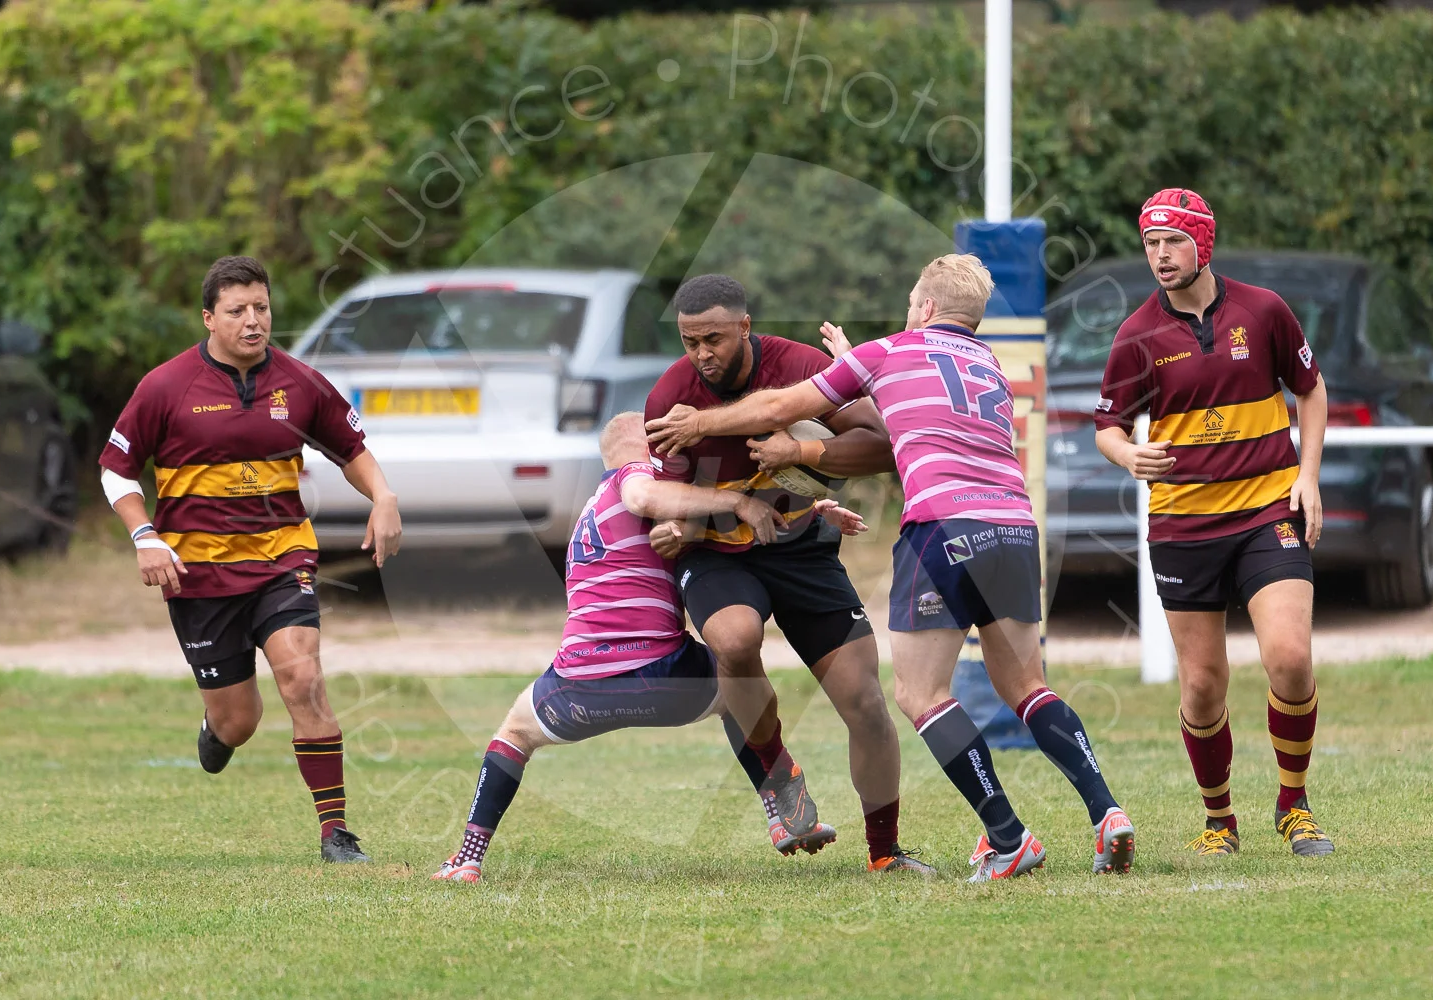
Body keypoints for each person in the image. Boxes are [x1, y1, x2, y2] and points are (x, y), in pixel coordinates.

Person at [648, 255, 1136, 880]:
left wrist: (721, 427)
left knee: (917, 695)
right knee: (1028, 686)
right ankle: (1107, 812)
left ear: (926, 308)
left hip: (938, 529)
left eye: (911, 302)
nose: (701, 352)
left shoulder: (886, 351)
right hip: (1013, 525)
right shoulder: (988, 365)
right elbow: (911, 407)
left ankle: (1005, 838)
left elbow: (790, 410)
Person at [433, 413, 871, 882]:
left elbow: (720, 531)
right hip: (664, 675)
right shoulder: (638, 482)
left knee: (513, 735)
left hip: (578, 684)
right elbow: (693, 512)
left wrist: (812, 509)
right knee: (739, 690)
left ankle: (467, 859)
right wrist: (741, 501)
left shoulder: (592, 511)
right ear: (641, 448)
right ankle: (781, 806)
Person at [98, 255, 402, 863]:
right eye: (237, 311)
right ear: (209, 317)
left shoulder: (300, 382)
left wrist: (384, 496)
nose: (253, 320)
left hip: (281, 557)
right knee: (240, 721)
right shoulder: (165, 387)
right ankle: (218, 731)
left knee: (304, 677)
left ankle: (335, 833)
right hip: (199, 572)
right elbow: (115, 468)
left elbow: (352, 448)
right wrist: (145, 537)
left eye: (261, 308)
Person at [641, 274, 929, 875]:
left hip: (802, 549)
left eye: (714, 339)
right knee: (735, 639)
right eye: (691, 342)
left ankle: (885, 854)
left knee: (866, 703)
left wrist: (799, 452)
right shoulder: (672, 393)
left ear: (745, 327)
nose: (703, 355)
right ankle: (778, 777)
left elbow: (883, 444)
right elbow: (661, 496)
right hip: (717, 554)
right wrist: (675, 527)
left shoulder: (799, 366)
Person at [1092, 188, 1333, 857]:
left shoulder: (1263, 311)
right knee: (1202, 684)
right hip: (1183, 524)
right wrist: (1127, 454)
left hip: (1267, 510)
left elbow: (1310, 391)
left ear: (1204, 241)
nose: (1160, 256)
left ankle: (1294, 805)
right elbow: (1106, 425)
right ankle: (1219, 818)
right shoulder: (1138, 334)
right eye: (1150, 244)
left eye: (1172, 242)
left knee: (1289, 657)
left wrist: (1306, 475)